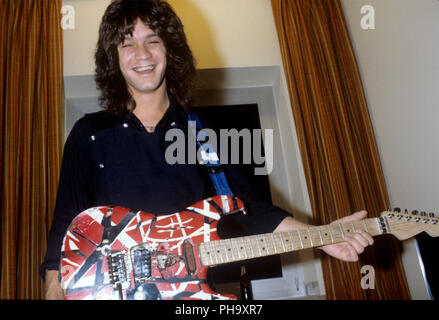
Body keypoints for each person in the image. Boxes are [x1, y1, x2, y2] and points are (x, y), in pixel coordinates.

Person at [41, 0, 374, 300]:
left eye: (153, 40)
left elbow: (254, 211)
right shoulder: (90, 133)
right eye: (127, 43)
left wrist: (323, 236)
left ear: (170, 50)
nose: (142, 54)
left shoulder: (206, 134)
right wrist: (54, 288)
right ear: (113, 57)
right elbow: (65, 223)